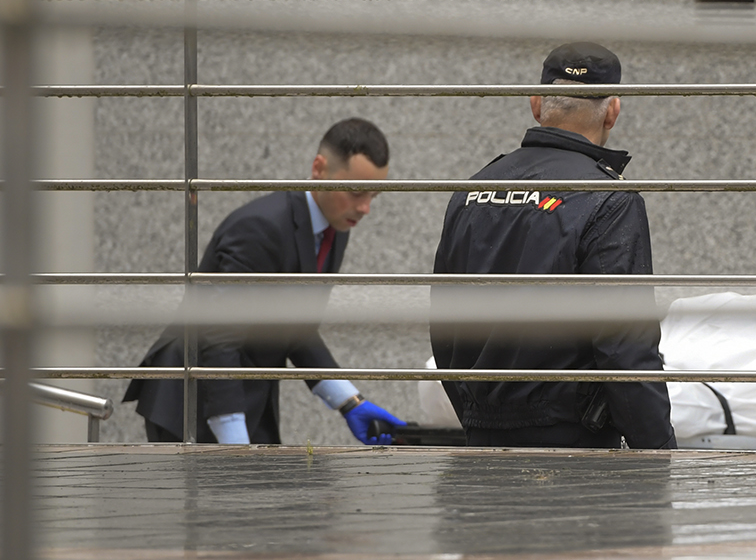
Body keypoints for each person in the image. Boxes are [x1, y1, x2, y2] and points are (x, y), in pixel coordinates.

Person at [429, 42, 675, 449]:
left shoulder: (474, 189)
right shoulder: (609, 200)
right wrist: (660, 451)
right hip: (571, 450)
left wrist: (479, 416)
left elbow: (443, 321)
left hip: (479, 440)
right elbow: (624, 346)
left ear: (536, 103)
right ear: (613, 110)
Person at [125, 118, 406, 445]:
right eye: (356, 191)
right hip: (193, 402)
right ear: (319, 168)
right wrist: (234, 440)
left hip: (246, 398)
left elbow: (294, 329)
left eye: (375, 194)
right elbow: (218, 335)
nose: (365, 208)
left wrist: (350, 402)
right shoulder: (261, 228)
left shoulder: (336, 226)